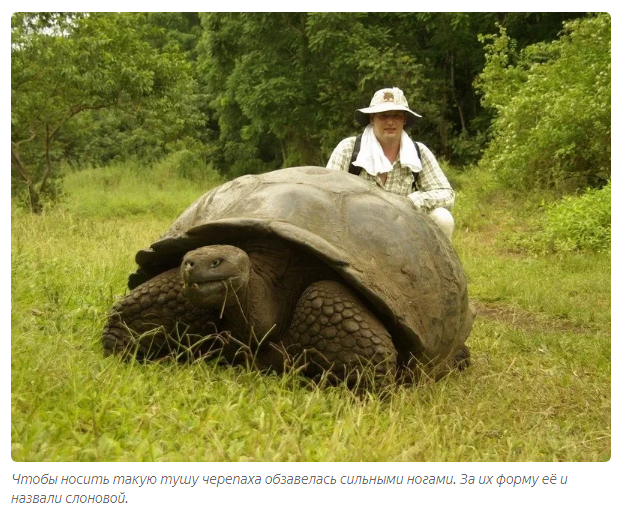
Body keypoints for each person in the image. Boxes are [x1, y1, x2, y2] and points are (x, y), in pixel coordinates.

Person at [326, 87, 455, 241]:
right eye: (384, 116)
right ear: (372, 118)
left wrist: (413, 202)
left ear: (404, 119)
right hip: (357, 230)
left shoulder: (418, 152)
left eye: (396, 116)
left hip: (404, 227)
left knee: (443, 218)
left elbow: (446, 194)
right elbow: (326, 195)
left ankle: (434, 265)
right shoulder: (348, 149)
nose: (390, 122)